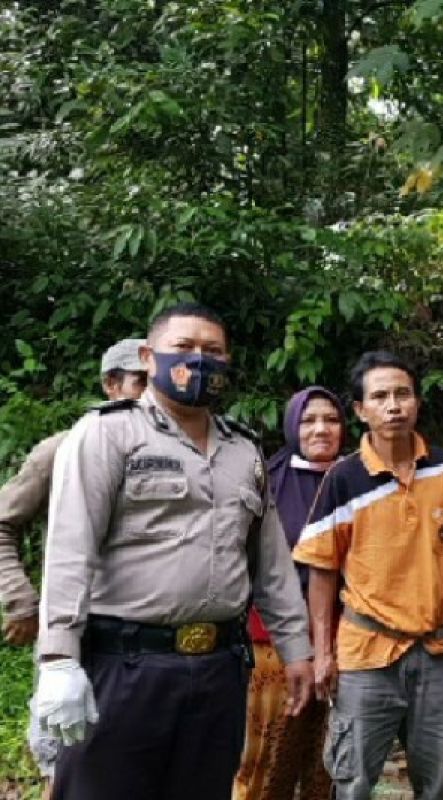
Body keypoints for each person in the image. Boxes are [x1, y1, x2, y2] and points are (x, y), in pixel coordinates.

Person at [34, 303, 314, 800]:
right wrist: (58, 660)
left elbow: (271, 566)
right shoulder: (107, 434)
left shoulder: (243, 451)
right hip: (125, 667)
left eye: (213, 351)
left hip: (219, 671)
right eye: (183, 348)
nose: (199, 361)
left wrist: (296, 650)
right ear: (148, 356)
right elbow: (69, 549)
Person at [294, 351, 443, 800]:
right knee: (354, 781)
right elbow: (322, 570)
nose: (393, 405)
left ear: (416, 402)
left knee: (439, 782)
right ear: (360, 410)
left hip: (434, 651)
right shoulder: (343, 479)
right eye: (380, 396)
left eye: (403, 394)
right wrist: (322, 652)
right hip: (365, 655)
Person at [0, 338, 146, 792]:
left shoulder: (182, 452)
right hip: (78, 635)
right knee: (67, 762)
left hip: (150, 646)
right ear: (111, 384)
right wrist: (22, 600)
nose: (152, 392)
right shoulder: (64, 448)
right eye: (140, 381)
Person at [234, 387, 346, 800]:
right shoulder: (270, 482)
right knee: (267, 754)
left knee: (328, 760)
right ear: (291, 426)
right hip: (275, 643)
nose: (321, 429)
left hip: (346, 641)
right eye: (309, 420)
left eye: (331, 420)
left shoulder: (358, 479)